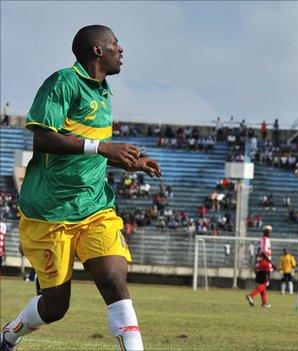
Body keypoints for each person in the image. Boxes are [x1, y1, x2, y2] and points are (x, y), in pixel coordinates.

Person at [0, 25, 162, 351]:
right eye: (115, 43)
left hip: (94, 206)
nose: (122, 49)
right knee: (55, 306)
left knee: (115, 279)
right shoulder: (62, 83)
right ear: (98, 51)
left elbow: (89, 151)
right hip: (50, 212)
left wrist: (127, 161)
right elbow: (43, 138)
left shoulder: (103, 92)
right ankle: (11, 333)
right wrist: (102, 149)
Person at [245, 225, 277, 309]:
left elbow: (258, 253)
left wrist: (256, 265)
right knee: (265, 283)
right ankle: (251, 295)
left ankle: (264, 303)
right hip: (265, 264)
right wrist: (271, 263)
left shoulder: (260, 240)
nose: (270, 233)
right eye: (269, 231)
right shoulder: (265, 240)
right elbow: (263, 252)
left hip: (260, 263)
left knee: (262, 284)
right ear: (265, 231)